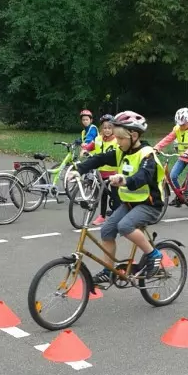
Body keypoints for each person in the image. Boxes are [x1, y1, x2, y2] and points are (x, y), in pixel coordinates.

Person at [73, 111, 165, 285]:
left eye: (120, 139)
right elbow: (100, 159)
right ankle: (109, 271)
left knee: (124, 226)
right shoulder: (122, 151)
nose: (117, 142)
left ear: (134, 135)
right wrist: (79, 169)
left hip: (150, 204)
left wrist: (125, 180)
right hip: (130, 204)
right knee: (107, 230)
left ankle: (154, 254)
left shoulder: (147, 153)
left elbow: (143, 176)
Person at [154, 107, 188, 223]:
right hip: (183, 156)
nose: (181, 127)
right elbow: (168, 138)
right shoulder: (177, 128)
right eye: (179, 124)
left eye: (183, 124)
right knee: (172, 176)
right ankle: (180, 196)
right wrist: (157, 147)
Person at [83, 114, 120, 225]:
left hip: (114, 172)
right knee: (102, 194)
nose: (107, 130)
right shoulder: (98, 139)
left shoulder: (117, 140)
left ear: (114, 128)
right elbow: (91, 146)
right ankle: (102, 216)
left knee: (115, 195)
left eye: (110, 127)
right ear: (101, 129)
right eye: (105, 128)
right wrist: (85, 149)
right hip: (101, 172)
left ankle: (117, 214)